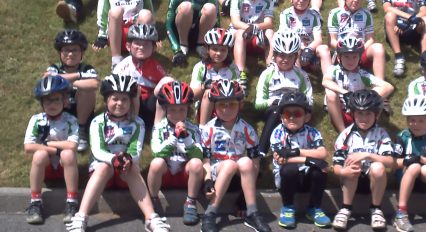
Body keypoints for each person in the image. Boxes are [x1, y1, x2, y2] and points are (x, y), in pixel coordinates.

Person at [65, 74, 170, 232]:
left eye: (124, 99)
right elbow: (97, 150)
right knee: (103, 167)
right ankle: (81, 217)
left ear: (130, 102)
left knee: (133, 168)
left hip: (125, 170)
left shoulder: (137, 123)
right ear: (106, 100)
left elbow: (136, 149)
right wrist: (113, 159)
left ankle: (151, 219)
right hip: (102, 171)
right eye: (115, 99)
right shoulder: (97, 122)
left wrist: (127, 159)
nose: (119, 103)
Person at [200, 79, 271, 232]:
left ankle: (252, 212)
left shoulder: (247, 129)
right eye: (221, 105)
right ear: (214, 106)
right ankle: (210, 213)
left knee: (245, 162)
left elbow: (255, 163)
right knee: (230, 164)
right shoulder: (209, 129)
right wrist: (207, 181)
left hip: (239, 179)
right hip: (216, 175)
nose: (226, 109)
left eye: (231, 104)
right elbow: (205, 160)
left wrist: (243, 200)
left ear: (240, 105)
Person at [331, 90, 395, 231]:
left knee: (378, 166)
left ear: (376, 115)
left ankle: (376, 209)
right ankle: (345, 209)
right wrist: (343, 171)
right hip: (350, 181)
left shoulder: (381, 133)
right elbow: (336, 166)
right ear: (353, 114)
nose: (364, 118)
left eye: (368, 114)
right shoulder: (346, 135)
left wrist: (367, 155)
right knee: (352, 164)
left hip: (374, 182)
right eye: (360, 113)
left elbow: (390, 161)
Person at [270, 92, 331, 229]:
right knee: (290, 169)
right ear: (281, 117)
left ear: (306, 116)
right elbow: (281, 159)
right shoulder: (278, 132)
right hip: (286, 179)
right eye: (287, 114)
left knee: (319, 170)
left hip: (306, 178)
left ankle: (314, 208)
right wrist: (310, 160)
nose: (292, 117)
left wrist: (297, 152)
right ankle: (287, 208)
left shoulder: (313, 132)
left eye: (297, 114)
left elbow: (322, 153)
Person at [148, 81, 204, 226]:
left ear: (188, 109)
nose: (177, 114)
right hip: (166, 174)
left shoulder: (193, 128)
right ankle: (153, 200)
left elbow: (198, 154)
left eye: (181, 109)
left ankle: (190, 203)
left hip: (185, 175)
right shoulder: (160, 128)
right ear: (166, 109)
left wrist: (186, 138)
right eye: (173, 110)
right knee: (156, 163)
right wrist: (173, 137)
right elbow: (156, 152)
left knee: (197, 164)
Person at [24, 76, 79, 225]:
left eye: (56, 100)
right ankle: (35, 202)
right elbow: (28, 146)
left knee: (68, 154)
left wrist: (48, 143)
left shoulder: (70, 120)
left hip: (64, 167)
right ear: (42, 102)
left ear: (65, 101)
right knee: (40, 155)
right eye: (48, 100)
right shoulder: (36, 119)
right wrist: (53, 149)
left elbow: (73, 145)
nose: (52, 104)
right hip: (46, 167)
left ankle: (72, 202)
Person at [393, 96, 426, 232]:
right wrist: (407, 160)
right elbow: (393, 163)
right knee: (414, 166)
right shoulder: (402, 136)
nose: (416, 124)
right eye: (412, 120)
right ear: (407, 120)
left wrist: (421, 159)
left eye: (421, 120)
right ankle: (401, 213)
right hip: (405, 176)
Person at [254, 30, 313, 156]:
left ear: (296, 57)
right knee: (276, 112)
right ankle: (261, 152)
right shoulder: (267, 74)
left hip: (293, 109)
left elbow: (309, 100)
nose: (286, 60)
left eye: (290, 56)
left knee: (294, 113)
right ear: (274, 54)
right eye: (281, 55)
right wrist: (275, 101)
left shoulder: (301, 75)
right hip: (271, 110)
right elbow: (258, 104)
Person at [322, 36, 394, 132]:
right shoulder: (334, 70)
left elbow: (389, 87)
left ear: (360, 58)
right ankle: (343, 133)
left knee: (376, 95)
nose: (351, 61)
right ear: (339, 58)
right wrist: (345, 93)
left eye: (354, 57)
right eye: (346, 57)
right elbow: (325, 81)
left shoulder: (362, 74)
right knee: (330, 94)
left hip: (359, 112)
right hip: (340, 112)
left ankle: (370, 129)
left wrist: (367, 98)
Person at [46, 29, 99, 152]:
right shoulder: (54, 68)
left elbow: (94, 84)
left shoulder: (87, 68)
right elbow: (47, 78)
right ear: (60, 52)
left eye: (74, 50)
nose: (70, 54)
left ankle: (81, 130)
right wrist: (79, 77)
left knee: (88, 91)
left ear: (82, 52)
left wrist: (64, 81)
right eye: (66, 50)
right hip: (59, 109)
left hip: (81, 111)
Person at [112, 24, 173, 129]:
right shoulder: (122, 66)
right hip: (128, 106)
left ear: (154, 48)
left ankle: (157, 128)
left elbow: (169, 85)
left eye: (146, 44)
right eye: (137, 43)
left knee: (168, 81)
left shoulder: (156, 67)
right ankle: (133, 124)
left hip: (150, 106)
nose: (141, 47)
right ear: (128, 46)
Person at [228, 0, 275, 90]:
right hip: (238, 35)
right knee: (239, 33)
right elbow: (235, 22)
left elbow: (269, 22)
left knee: (270, 32)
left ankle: (271, 69)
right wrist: (250, 28)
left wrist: (254, 28)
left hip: (257, 36)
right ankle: (240, 73)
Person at [327, 0, 386, 80]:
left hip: (360, 51)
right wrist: (344, 48)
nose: (356, 0)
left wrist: (360, 49)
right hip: (342, 52)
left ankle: (380, 85)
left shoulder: (366, 14)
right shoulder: (335, 13)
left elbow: (371, 39)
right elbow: (332, 41)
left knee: (378, 48)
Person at [165, 0, 220, 66]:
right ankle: (183, 45)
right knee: (186, 6)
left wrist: (214, 47)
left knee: (210, 8)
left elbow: (217, 25)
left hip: (200, 34)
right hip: (180, 32)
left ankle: (200, 45)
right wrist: (176, 49)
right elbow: (168, 24)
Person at [278, 0, 332, 74]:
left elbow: (318, 39)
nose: (301, 1)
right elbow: (284, 35)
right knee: (296, 48)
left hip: (310, 51)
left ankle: (330, 82)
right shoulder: (285, 14)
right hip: (292, 51)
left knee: (324, 48)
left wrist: (309, 49)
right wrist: (301, 47)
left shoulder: (314, 16)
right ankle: (298, 80)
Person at [190, 28, 240, 125]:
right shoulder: (200, 67)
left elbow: (238, 92)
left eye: (223, 50)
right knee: (209, 92)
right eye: (215, 49)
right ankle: (202, 128)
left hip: (226, 104)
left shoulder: (233, 69)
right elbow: (192, 96)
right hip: (205, 106)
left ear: (228, 51)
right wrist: (204, 87)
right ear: (208, 49)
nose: (218, 53)